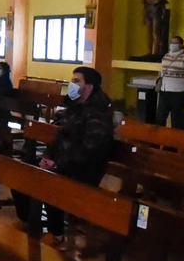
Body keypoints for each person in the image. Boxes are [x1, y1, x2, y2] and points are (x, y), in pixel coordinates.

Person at [16, 67, 114, 243]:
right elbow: (60, 136)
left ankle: (57, 234)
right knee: (21, 171)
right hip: (65, 162)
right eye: (73, 80)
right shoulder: (75, 107)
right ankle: (28, 219)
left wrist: (58, 164)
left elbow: (89, 149)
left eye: (77, 81)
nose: (72, 84)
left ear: (89, 87)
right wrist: (48, 156)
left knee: (51, 181)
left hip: (85, 169)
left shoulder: (97, 113)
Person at [156, 35, 184, 127]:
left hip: (179, 93)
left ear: (181, 45)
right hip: (165, 91)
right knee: (160, 118)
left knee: (176, 119)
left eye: (175, 43)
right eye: (172, 43)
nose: (173, 45)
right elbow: (162, 71)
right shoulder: (166, 56)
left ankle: (175, 138)